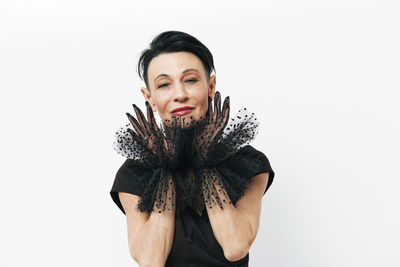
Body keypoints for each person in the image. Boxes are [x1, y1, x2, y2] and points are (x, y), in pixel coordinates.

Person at [110, 30, 275, 267]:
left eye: (190, 80)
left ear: (210, 86)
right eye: (164, 84)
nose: (180, 95)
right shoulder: (134, 173)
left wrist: (205, 162)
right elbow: (150, 260)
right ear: (150, 98)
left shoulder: (248, 162)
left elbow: (235, 246)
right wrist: (166, 166)